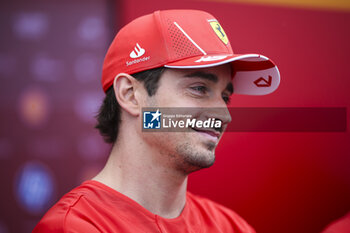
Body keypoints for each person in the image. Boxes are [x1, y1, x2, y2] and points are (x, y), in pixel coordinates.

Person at [33, 9, 280, 232]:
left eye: (225, 97)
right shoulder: (76, 226)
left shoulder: (230, 227)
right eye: (199, 89)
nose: (223, 116)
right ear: (130, 95)